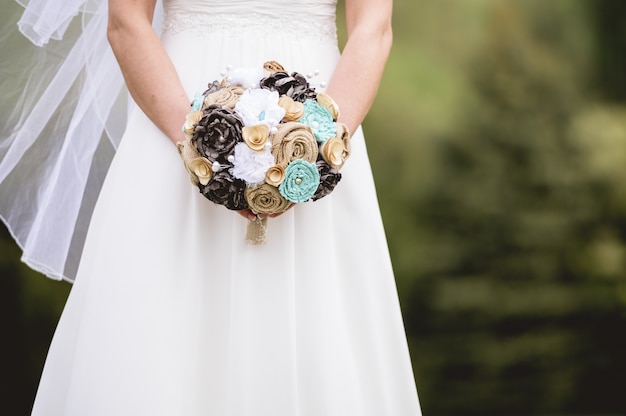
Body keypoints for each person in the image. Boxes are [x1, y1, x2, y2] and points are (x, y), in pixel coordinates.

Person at [2, 0, 421, 414]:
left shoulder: (318, 143)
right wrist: (199, 149)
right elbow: (126, 22)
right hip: (175, 117)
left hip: (319, 117)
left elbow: (373, 28)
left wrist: (316, 151)